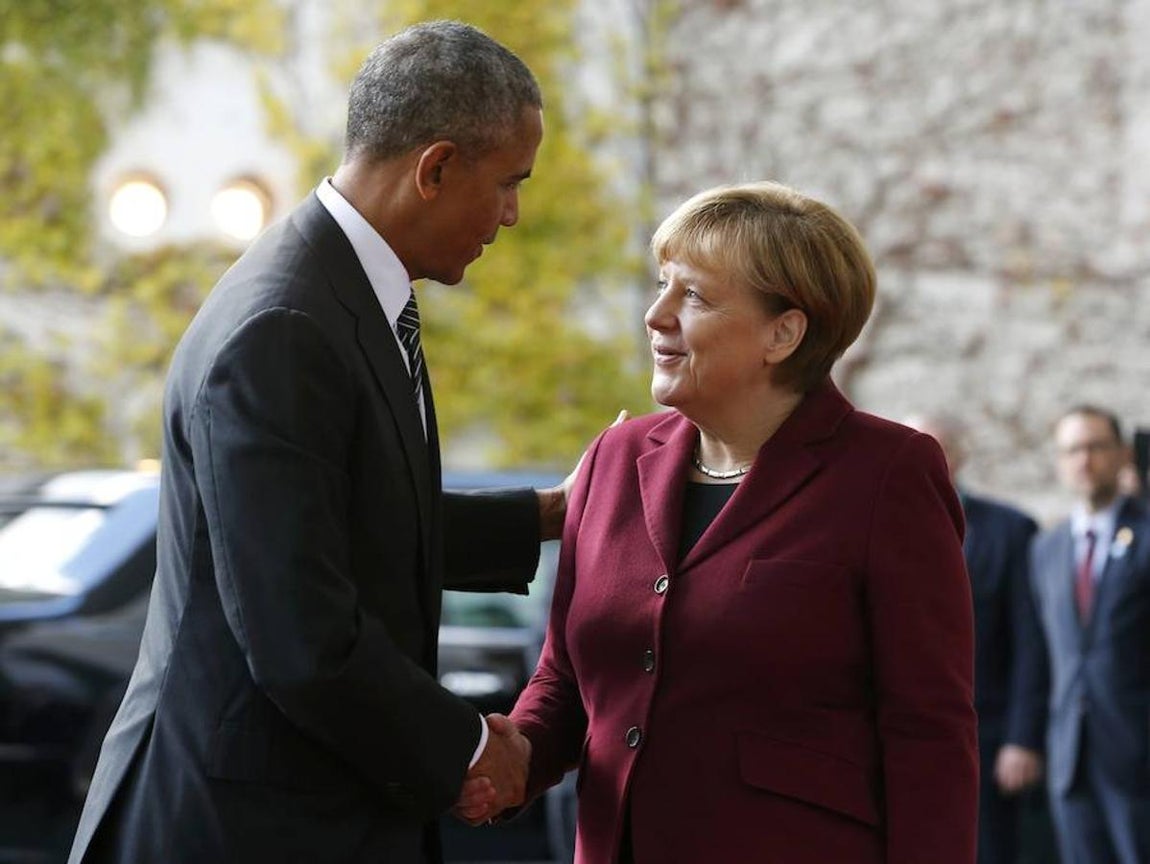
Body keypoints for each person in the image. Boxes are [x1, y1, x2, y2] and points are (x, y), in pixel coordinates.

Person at [69, 21, 557, 864]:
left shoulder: (337, 291)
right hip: (238, 831)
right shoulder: (285, 325)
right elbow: (303, 640)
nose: (512, 214)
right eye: (508, 183)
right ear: (436, 168)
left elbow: (357, 519)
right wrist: (474, 749)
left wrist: (552, 515)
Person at [461, 181, 979, 862]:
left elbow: (929, 729)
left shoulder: (888, 472)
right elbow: (563, 676)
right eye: (662, 286)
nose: (656, 315)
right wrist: (517, 755)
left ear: (783, 333)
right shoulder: (616, 456)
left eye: (695, 297)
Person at [906, 413, 1050, 864]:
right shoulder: (872, 526)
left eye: (937, 448)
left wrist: (1023, 738)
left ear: (960, 454)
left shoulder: (1011, 530)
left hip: (988, 737)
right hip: (902, 739)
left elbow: (1031, 643)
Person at [1029, 405, 1150, 864]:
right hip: (1070, 758)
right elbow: (1042, 655)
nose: (1084, 460)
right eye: (1072, 450)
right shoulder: (1046, 548)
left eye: (1096, 447)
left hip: (1137, 753)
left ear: (1122, 454)